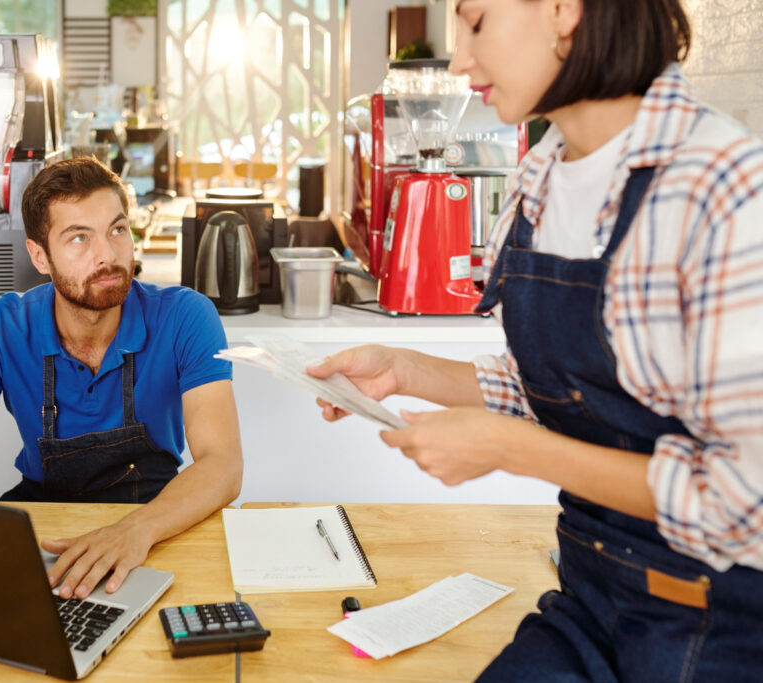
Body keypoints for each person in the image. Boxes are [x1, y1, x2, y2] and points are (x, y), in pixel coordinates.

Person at [310, 1, 763, 680]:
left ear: (563, 10)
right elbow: (559, 390)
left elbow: (744, 498)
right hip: (591, 600)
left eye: (476, 22)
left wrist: (512, 452)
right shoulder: (541, 178)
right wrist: (403, 368)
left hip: (718, 624)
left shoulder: (722, 188)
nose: (460, 59)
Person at [0, 157, 242, 600]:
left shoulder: (187, 316)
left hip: (158, 523)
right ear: (40, 256)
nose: (107, 255)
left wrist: (133, 531)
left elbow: (222, 464)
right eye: (78, 238)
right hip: (45, 532)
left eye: (117, 230)